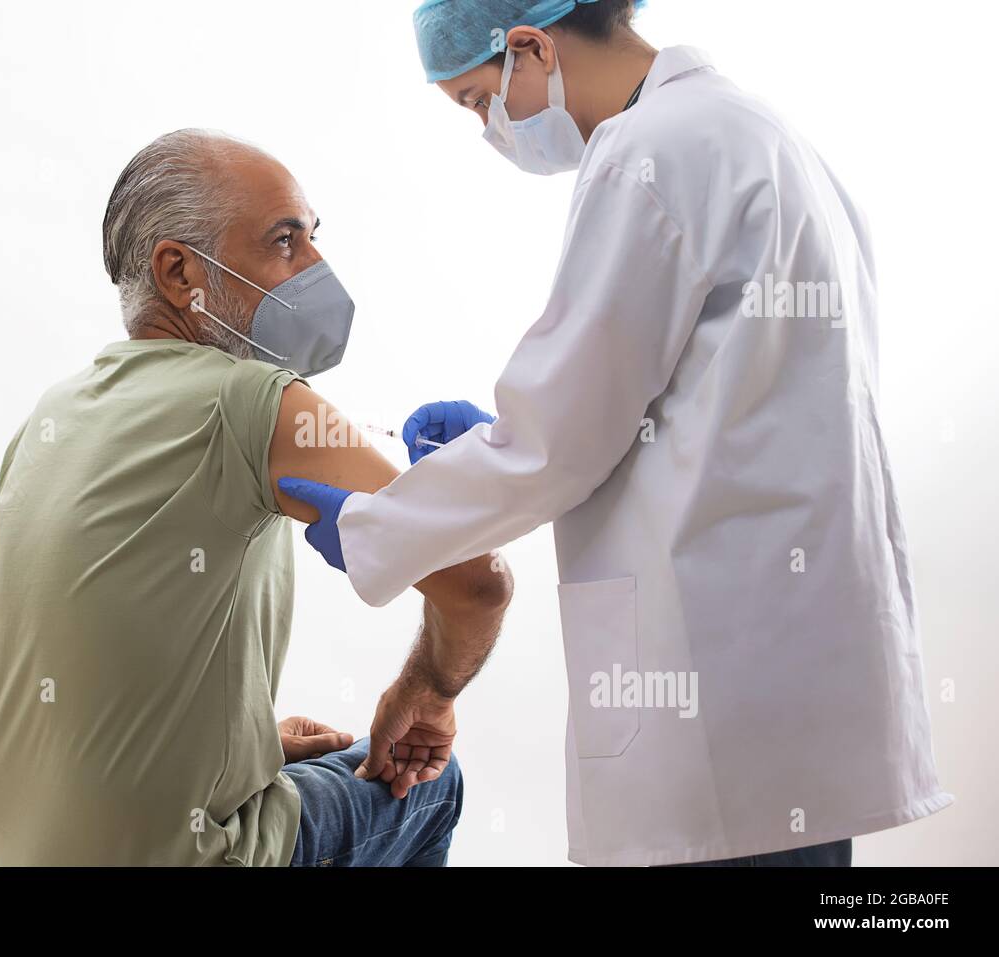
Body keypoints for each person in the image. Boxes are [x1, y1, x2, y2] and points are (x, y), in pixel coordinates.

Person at [279, 0, 952, 866]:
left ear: (528, 47)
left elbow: (555, 442)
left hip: (722, 683)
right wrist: (526, 441)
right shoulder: (759, 135)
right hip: (791, 665)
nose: (490, 128)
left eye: (477, 101)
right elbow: (694, 400)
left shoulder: (647, 156)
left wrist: (376, 528)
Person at [0, 129, 511, 866]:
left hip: (27, 849)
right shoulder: (253, 400)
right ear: (179, 271)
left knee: (310, 762)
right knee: (432, 788)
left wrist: (239, 748)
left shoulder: (50, 417)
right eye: (285, 242)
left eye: (314, 238)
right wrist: (428, 692)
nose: (316, 267)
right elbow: (476, 585)